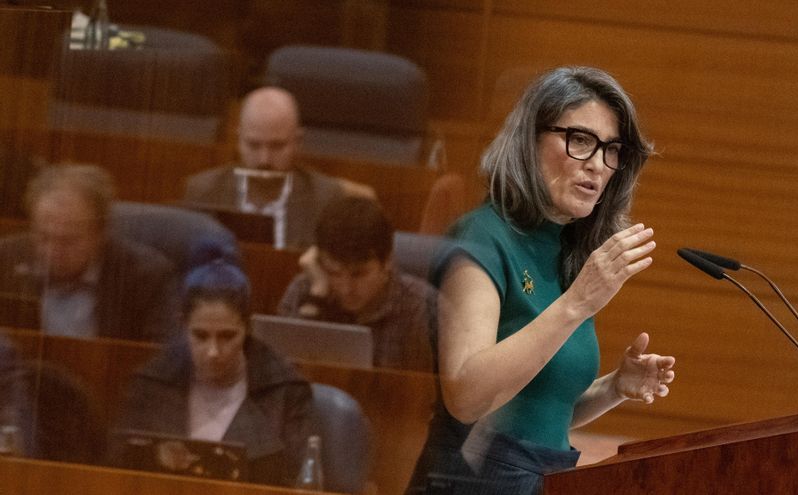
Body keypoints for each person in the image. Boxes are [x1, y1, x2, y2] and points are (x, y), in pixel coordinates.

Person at [405, 66, 677, 494]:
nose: (597, 165)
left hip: (542, 478)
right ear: (529, 140)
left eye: (611, 149)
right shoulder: (482, 237)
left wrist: (613, 388)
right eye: (581, 140)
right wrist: (576, 304)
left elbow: (533, 410)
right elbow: (467, 396)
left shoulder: (565, 251)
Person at [114, 242, 317, 486]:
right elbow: (121, 473)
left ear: (247, 329)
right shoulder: (150, 384)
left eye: (227, 336)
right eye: (200, 336)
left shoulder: (285, 392)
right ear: (183, 326)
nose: (213, 352)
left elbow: (294, 483)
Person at [0, 165, 178, 342]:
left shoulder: (145, 276)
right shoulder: (5, 260)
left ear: (100, 234)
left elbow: (163, 355)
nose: (52, 251)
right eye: (43, 237)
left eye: (68, 240)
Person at [182, 86, 374, 249]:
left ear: (298, 142)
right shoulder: (203, 190)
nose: (264, 159)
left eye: (277, 146)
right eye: (253, 145)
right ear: (238, 139)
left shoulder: (326, 199)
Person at [278, 196, 436, 372]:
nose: (346, 289)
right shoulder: (304, 290)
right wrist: (315, 300)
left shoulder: (423, 307)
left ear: (388, 262)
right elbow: (281, 376)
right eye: (334, 273)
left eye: (359, 274)